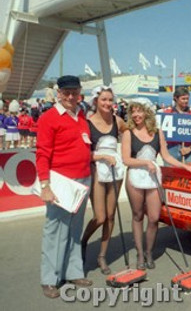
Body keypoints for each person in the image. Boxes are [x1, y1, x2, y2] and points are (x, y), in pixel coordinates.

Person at [121, 98, 191, 270]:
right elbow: (126, 159)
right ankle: (140, 254)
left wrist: (184, 165)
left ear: (147, 112)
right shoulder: (128, 133)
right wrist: (145, 163)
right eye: (134, 111)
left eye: (140, 111)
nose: (136, 114)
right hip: (135, 176)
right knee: (138, 215)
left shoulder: (157, 132)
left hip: (153, 177)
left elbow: (166, 156)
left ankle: (149, 251)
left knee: (154, 217)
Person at [36, 75, 93, 298]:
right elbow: (42, 154)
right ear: (58, 94)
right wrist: (45, 185)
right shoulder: (49, 118)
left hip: (82, 181)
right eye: (66, 92)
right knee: (55, 231)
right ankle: (49, 278)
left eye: (74, 92)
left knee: (74, 230)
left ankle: (73, 271)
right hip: (61, 182)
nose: (71, 96)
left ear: (79, 93)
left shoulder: (81, 117)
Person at [81, 86, 127, 275]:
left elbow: (131, 135)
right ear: (95, 102)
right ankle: (83, 241)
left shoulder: (118, 121)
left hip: (115, 170)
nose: (108, 103)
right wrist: (101, 157)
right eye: (104, 100)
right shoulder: (87, 122)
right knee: (99, 216)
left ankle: (102, 255)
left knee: (110, 215)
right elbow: (83, 154)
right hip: (98, 170)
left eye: (110, 100)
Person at [163, 87, 191, 162]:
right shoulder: (167, 113)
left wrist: (190, 148)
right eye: (183, 99)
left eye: (187, 99)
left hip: (187, 149)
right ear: (176, 98)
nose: (186, 101)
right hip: (170, 149)